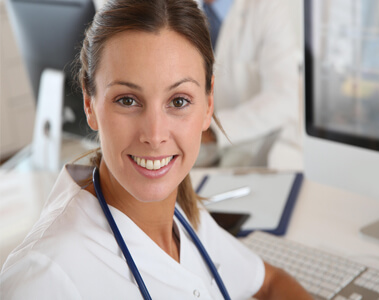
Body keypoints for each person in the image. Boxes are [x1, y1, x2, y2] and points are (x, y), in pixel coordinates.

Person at [0, 0, 312, 299]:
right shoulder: (44, 278)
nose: (155, 134)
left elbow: (270, 282)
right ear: (89, 104)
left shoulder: (189, 217)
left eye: (178, 101)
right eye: (127, 100)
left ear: (209, 104)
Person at [196, 0, 303, 169]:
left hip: (255, 152)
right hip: (193, 150)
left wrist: (212, 130)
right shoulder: (169, 8)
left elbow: (284, 98)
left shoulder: (268, 8)